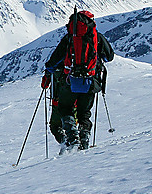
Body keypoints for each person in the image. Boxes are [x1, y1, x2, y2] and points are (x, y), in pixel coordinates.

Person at [42, 10, 114, 152]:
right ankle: (84, 142)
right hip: (90, 81)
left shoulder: (69, 38)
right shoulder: (97, 38)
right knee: (84, 113)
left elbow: (54, 61)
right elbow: (109, 57)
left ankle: (72, 137)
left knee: (65, 108)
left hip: (70, 81)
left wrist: (48, 74)